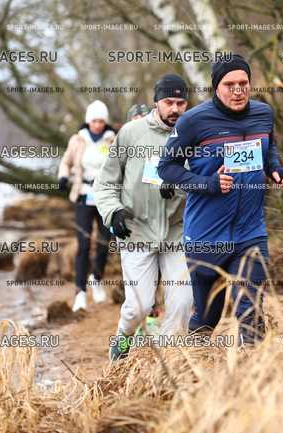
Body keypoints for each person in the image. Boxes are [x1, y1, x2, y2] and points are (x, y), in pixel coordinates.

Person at [158, 54, 283, 345]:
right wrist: (208, 183)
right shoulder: (194, 121)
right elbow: (166, 168)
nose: (238, 90)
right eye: (230, 85)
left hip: (250, 231)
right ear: (216, 87)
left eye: (244, 83)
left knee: (250, 310)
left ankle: (250, 368)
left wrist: (277, 170)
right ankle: (193, 359)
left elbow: (269, 150)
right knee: (207, 317)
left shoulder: (263, 114)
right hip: (206, 234)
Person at [94, 74, 193, 361]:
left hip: (176, 232)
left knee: (182, 303)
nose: (175, 109)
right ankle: (122, 339)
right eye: (168, 102)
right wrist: (113, 212)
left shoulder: (193, 134)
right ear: (156, 102)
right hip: (136, 231)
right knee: (139, 307)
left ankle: (167, 361)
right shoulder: (131, 133)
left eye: (181, 103)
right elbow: (105, 183)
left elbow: (202, 181)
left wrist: (179, 185)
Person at [58, 100, 116, 312]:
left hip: (105, 195)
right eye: (94, 121)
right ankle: (80, 293)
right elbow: (66, 162)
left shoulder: (113, 140)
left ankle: (96, 279)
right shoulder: (77, 140)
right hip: (83, 194)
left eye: (101, 121)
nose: (98, 125)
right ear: (88, 121)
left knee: (104, 242)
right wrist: (63, 176)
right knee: (83, 245)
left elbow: (120, 166)